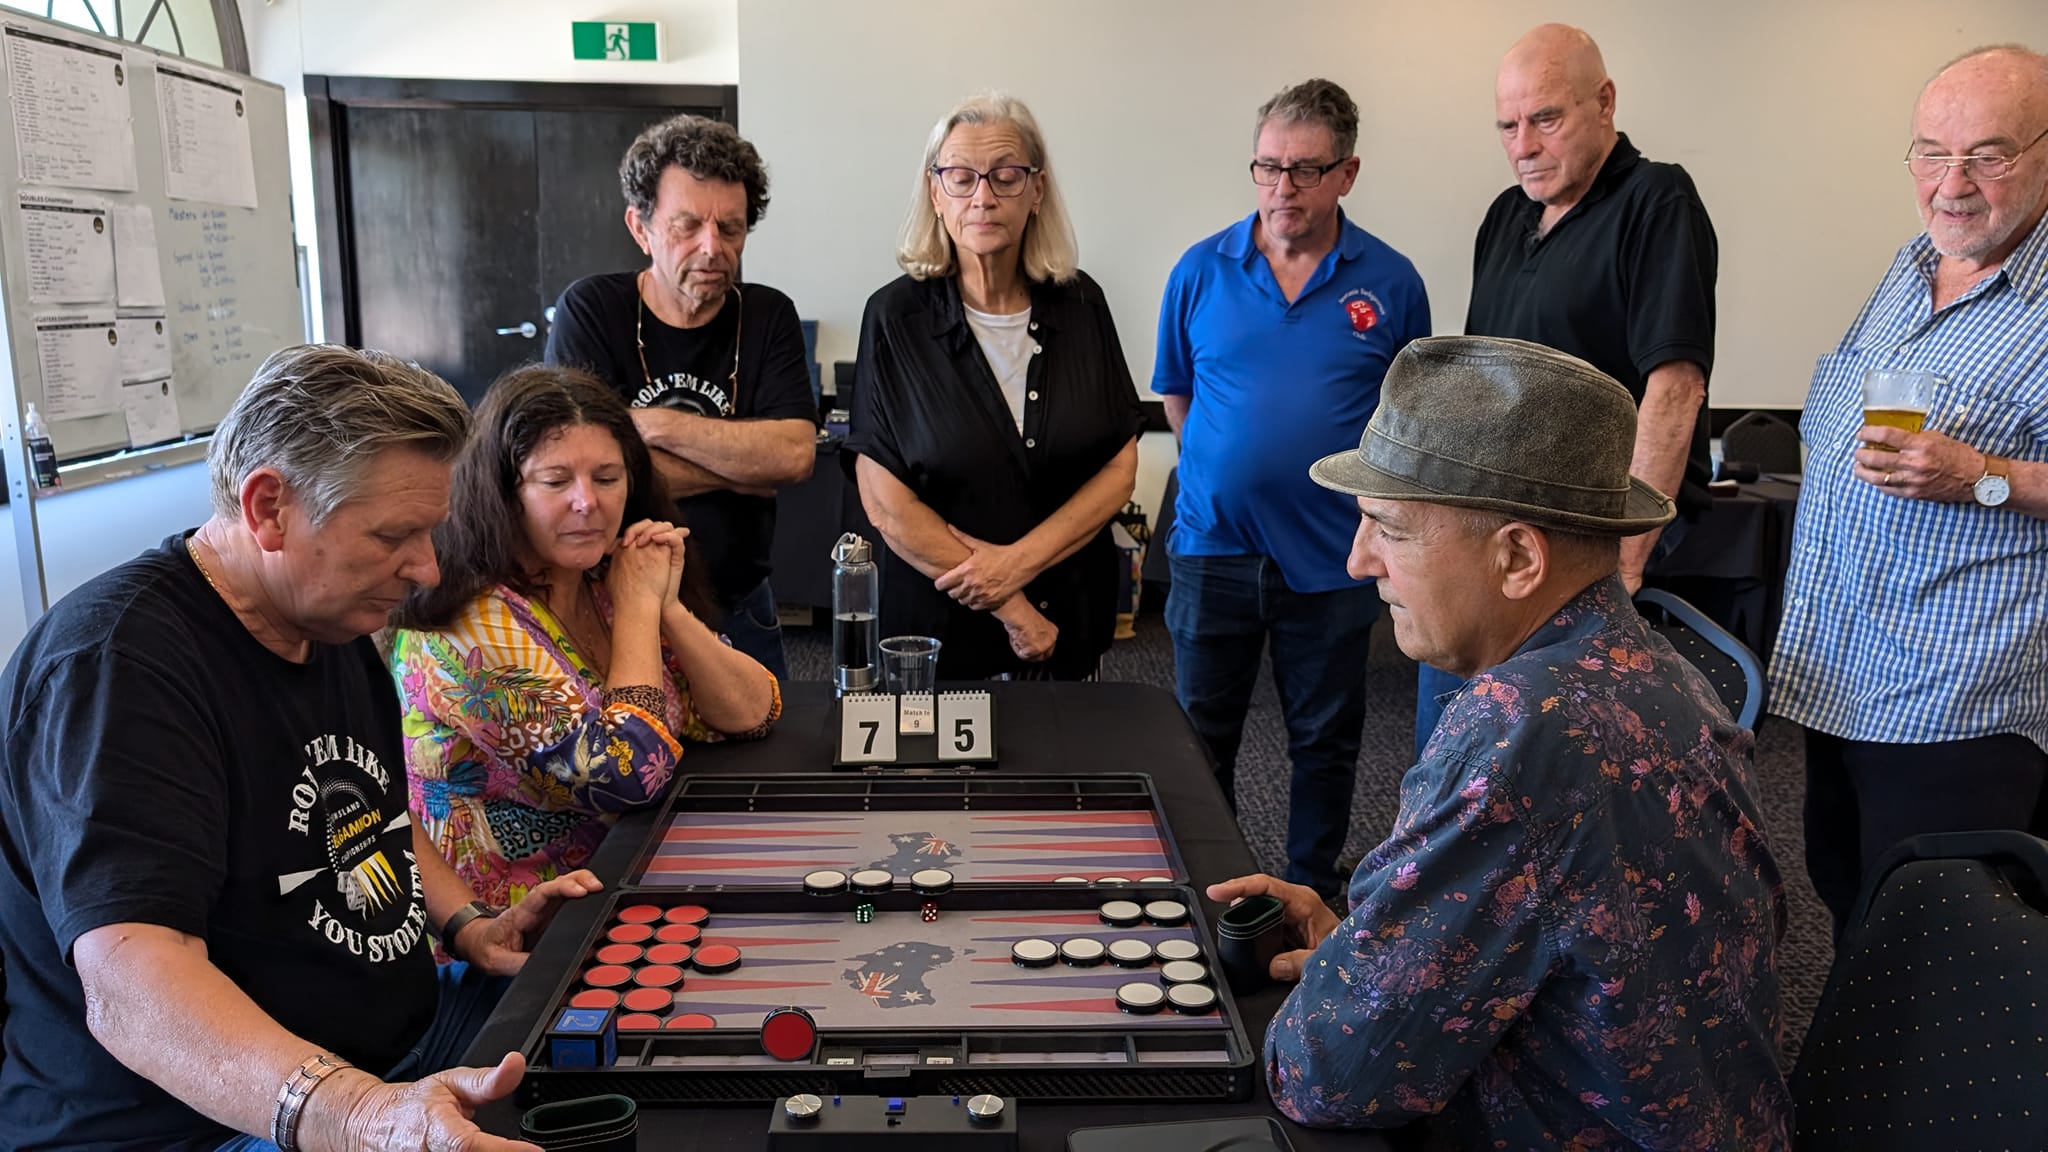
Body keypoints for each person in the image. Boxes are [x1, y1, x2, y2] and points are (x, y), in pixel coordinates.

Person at [0, 345, 592, 1150]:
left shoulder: (329, 617)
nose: (424, 568)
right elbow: (136, 985)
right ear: (269, 507)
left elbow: (371, 813)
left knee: (618, 1020)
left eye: (429, 533)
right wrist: (358, 1115)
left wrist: (468, 926)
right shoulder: (117, 667)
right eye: (394, 535)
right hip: (198, 1125)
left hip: (397, 1044)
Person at [1209, 335, 1789, 1149]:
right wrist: (1367, 942)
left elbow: (1324, 1074)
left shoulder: (1520, 727)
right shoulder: (1661, 669)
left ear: (1518, 556)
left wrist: (1355, 979)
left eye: (1391, 530)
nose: (1356, 560)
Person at [1771, 44, 2048, 936]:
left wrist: (1981, 476)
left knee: (1945, 945)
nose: (1951, 182)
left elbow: (1975, 474)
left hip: (1955, 700)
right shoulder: (1909, 265)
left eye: (1988, 155)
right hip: (1842, 671)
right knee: (1850, 895)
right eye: (1931, 152)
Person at [1153, 79, 1429, 896]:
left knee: (1326, 739)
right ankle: (1210, 887)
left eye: (1305, 171)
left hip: (1335, 557)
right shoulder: (1200, 270)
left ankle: (1309, 887)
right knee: (1199, 737)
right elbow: (1179, 400)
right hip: (1213, 551)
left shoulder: (1392, 282)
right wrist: (1235, 468)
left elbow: (1405, 420)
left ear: (1347, 173)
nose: (1283, 189)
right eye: (1267, 167)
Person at [1416, 23, 1719, 758]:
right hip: (1491, 539)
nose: (1523, 143)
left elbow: (1675, 388)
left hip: (1585, 551)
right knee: (1455, 742)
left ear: (1604, 102)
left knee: (1549, 761)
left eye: (1545, 119)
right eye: (1507, 125)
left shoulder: (1655, 200)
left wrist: (1627, 558)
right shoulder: (1506, 215)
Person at [391, 365, 780, 911]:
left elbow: (751, 710)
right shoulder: (470, 627)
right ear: (504, 492)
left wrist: (667, 607)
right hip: (519, 930)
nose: (587, 502)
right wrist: (642, 608)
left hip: (627, 876)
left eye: (607, 478)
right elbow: (624, 775)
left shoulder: (603, 578)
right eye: (556, 482)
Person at [849, 92, 1142, 680]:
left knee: (1068, 767)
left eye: (1006, 176)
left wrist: (1016, 565)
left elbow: (1119, 466)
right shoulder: (893, 317)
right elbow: (886, 500)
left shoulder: (1083, 303)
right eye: (960, 177)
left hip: (1068, 626)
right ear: (936, 193)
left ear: (1036, 191)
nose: (982, 196)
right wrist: (1010, 606)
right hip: (937, 638)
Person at [545, 113, 817, 681]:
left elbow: (792, 455)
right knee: (632, 763)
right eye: (687, 225)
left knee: (767, 753)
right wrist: (744, 468)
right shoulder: (592, 310)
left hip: (740, 604)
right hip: (613, 608)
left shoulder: (768, 315)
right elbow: (582, 466)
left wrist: (649, 426)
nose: (712, 248)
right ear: (640, 227)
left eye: (732, 228)